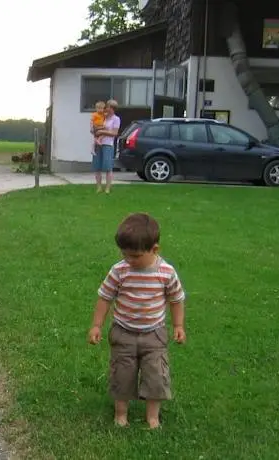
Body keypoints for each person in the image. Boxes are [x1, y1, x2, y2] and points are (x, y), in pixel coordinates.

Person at [87, 212, 186, 429]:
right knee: (122, 374)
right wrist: (96, 325)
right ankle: (121, 414)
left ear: (154, 249)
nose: (129, 260)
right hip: (123, 332)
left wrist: (178, 325)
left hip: (154, 334)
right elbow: (105, 297)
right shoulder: (119, 271)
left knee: (156, 375)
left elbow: (176, 299)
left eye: (135, 256)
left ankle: (152, 417)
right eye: (125, 255)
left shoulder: (166, 273)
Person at [93, 99, 121, 193]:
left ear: (112, 108)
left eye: (107, 107)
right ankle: (99, 187)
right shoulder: (103, 117)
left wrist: (102, 131)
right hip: (98, 144)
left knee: (108, 167)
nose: (105, 108)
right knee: (97, 166)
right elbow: (95, 126)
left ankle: (108, 188)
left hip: (108, 144)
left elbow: (114, 133)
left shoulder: (116, 119)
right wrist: (95, 130)